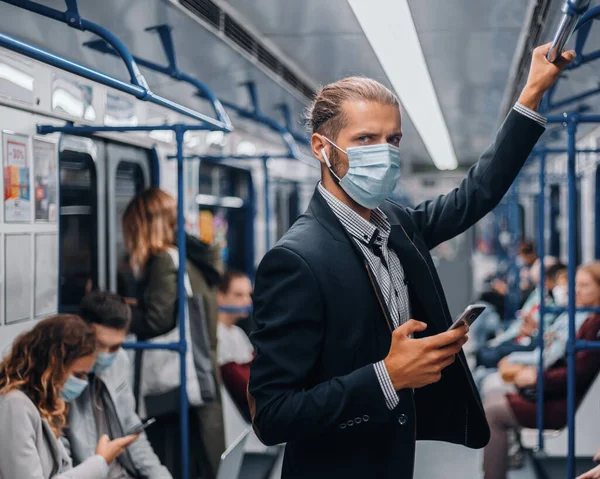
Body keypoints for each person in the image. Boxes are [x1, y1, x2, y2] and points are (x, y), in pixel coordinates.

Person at [247, 43, 575, 479]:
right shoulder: (295, 260)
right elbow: (273, 415)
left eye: (393, 140)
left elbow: (476, 193)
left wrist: (531, 94)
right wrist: (388, 375)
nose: (383, 152)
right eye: (364, 139)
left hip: (396, 459)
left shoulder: (397, 225)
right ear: (320, 147)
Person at [122, 187, 225, 479]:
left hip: (176, 382)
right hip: (199, 377)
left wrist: (113, 312)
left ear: (142, 224)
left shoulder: (165, 260)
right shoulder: (192, 258)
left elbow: (157, 319)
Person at [483, 262, 600, 479]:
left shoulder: (595, 325)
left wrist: (537, 379)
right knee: (491, 400)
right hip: (558, 393)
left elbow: (577, 373)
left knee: (492, 412)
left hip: (562, 404)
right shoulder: (588, 319)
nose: (576, 290)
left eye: (584, 285)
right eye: (576, 285)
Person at [0, 315, 138, 478]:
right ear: (53, 365)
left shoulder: (43, 403)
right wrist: (100, 462)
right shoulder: (14, 405)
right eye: (77, 375)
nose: (82, 383)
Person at [63, 291, 172, 479]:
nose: (105, 354)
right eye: (98, 344)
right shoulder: (66, 377)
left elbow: (132, 430)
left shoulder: (119, 361)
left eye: (114, 347)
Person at [217, 271, 254, 421]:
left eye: (249, 294)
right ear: (220, 296)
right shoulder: (217, 334)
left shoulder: (237, 332)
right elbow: (241, 384)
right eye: (239, 295)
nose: (247, 301)